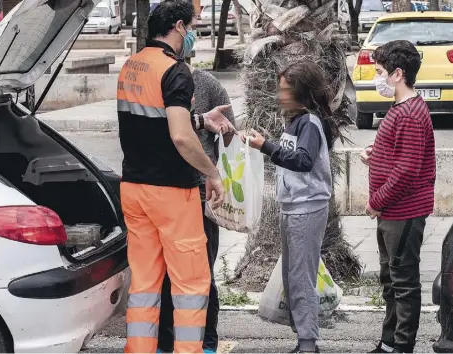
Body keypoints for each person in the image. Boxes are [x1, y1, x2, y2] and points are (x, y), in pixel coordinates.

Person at [116, 0, 234, 352]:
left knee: (146, 282)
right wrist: (211, 172)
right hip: (171, 192)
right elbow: (181, 137)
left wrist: (201, 119)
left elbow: (156, 123)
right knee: (190, 285)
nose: (193, 33)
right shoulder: (176, 70)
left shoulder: (131, 66)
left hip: (134, 189)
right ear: (179, 27)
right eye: (193, 25)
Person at [243, 60, 342, 354]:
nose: (280, 95)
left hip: (307, 208)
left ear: (301, 92)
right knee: (293, 276)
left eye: (285, 89)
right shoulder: (298, 121)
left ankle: (308, 344)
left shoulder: (310, 123)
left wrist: (266, 146)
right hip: (295, 207)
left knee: (300, 277)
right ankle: (303, 338)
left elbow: (303, 160)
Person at [360, 40, 435, 354]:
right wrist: (375, 155)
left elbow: (406, 171)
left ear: (397, 74)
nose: (376, 78)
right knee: (391, 279)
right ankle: (389, 341)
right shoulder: (402, 110)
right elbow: (401, 155)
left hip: (402, 212)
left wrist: (375, 202)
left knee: (403, 283)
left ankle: (402, 345)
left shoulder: (410, 114)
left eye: (380, 72)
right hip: (392, 213)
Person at [157, 64, 236, 354]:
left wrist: (224, 131)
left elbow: (231, 136)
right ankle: (166, 343)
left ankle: (207, 343)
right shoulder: (155, 84)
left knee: (203, 273)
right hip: (166, 193)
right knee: (165, 273)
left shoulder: (208, 84)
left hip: (202, 195)